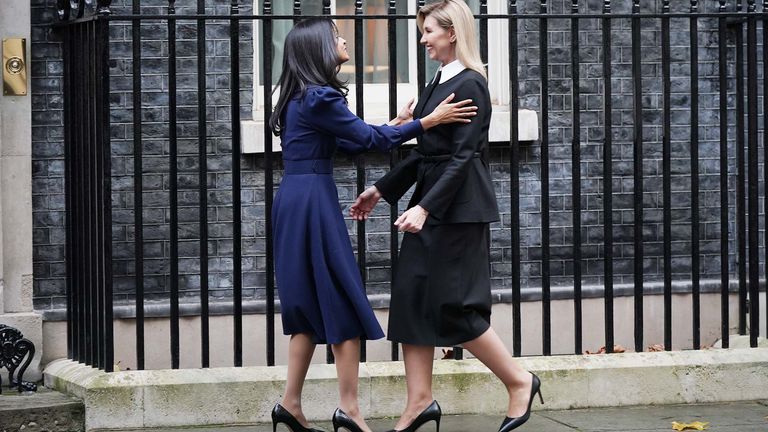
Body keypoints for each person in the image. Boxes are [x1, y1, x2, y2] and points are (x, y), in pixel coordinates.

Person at [268, 18, 478, 432]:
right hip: (313, 202)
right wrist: (428, 122)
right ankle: (350, 410)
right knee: (343, 300)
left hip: (292, 199)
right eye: (335, 36)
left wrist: (399, 123)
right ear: (318, 49)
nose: (344, 39)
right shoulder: (322, 97)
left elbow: (352, 139)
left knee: (308, 306)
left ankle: (290, 403)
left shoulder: (300, 98)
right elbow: (368, 140)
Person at [350, 1, 542, 431]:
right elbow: (425, 153)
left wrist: (424, 206)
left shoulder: (471, 84)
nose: (422, 40)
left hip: (457, 210)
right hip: (434, 201)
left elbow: (463, 158)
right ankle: (419, 401)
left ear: (452, 32)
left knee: (454, 304)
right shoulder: (438, 81)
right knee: (411, 298)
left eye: (429, 32)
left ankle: (518, 381)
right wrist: (382, 190)